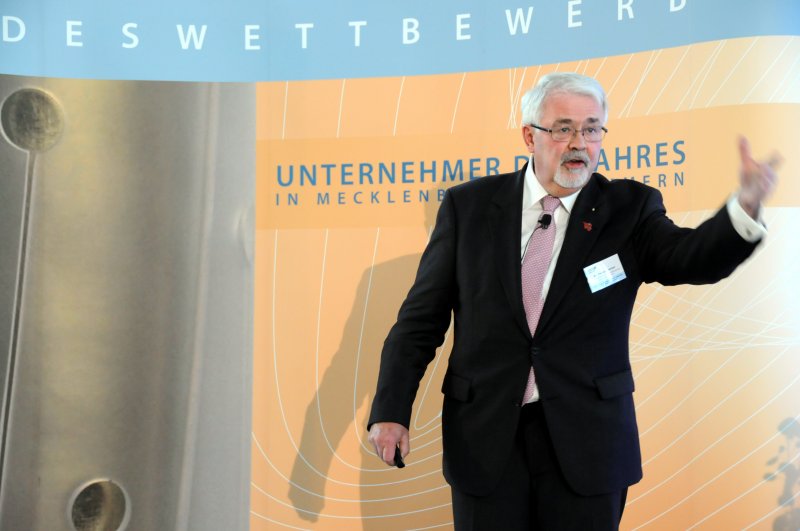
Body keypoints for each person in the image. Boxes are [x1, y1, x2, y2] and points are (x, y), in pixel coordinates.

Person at [367, 72, 779, 530]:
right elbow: (419, 321)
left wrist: (744, 208)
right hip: (485, 438)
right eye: (563, 129)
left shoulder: (629, 209)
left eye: (591, 128)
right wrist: (391, 411)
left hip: (588, 442)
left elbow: (691, 257)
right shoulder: (470, 207)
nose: (579, 143)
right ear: (530, 136)